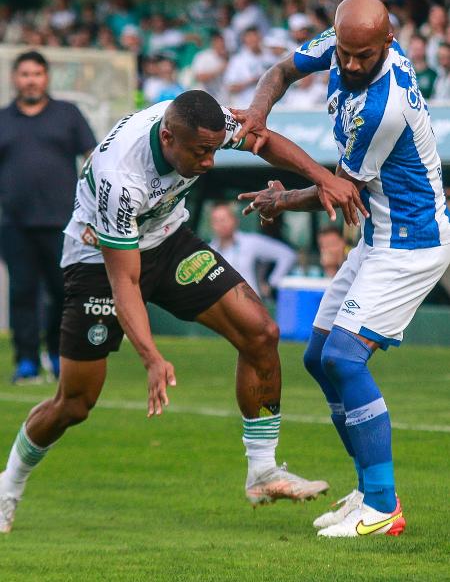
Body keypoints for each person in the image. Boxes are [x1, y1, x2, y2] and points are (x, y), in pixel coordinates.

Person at [0, 90, 366, 533]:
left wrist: (321, 177)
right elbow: (126, 280)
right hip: (99, 262)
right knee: (75, 402)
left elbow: (261, 138)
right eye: (200, 153)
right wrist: (152, 357)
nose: (210, 162)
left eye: (215, 149)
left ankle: (263, 471)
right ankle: (9, 485)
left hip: (169, 241)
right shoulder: (122, 177)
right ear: (168, 138)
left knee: (260, 332)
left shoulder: (203, 124)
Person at [235, 0, 450, 537]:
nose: (350, 65)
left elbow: (339, 192)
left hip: (412, 242)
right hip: (380, 237)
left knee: (345, 357)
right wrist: (257, 115)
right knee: (316, 356)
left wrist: (281, 199)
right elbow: (282, 70)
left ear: (390, 45)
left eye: (363, 56)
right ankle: (366, 492)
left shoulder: (385, 106)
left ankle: (383, 508)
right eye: (346, 53)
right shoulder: (341, 44)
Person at [0, 50, 96, 384]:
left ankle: (57, 355)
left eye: (37, 74)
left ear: (46, 77)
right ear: (15, 78)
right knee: (23, 292)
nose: (31, 80)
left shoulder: (67, 114)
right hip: (13, 224)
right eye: (24, 74)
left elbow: (93, 157)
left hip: (63, 222)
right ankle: (26, 362)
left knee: (63, 291)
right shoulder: (3, 119)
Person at [209, 202, 296, 298]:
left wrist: (272, 283)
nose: (221, 224)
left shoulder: (251, 242)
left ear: (235, 220)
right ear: (212, 225)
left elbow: (287, 255)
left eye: (224, 219)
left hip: (251, 305)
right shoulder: (208, 252)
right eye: (216, 221)